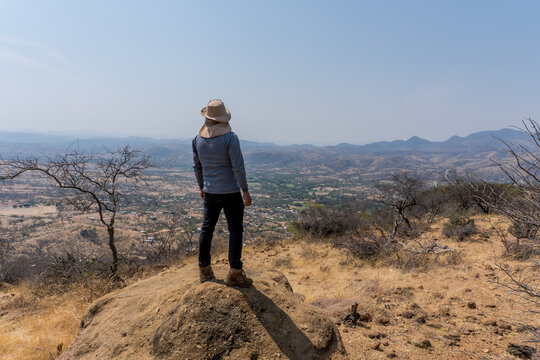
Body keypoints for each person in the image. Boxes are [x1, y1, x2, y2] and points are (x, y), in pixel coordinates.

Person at [192, 99, 253, 287]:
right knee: (235, 230)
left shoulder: (197, 140)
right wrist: (245, 191)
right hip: (231, 192)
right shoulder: (230, 138)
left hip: (210, 192)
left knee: (206, 229)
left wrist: (202, 186)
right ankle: (235, 272)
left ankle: (204, 270)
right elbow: (238, 167)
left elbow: (197, 167)